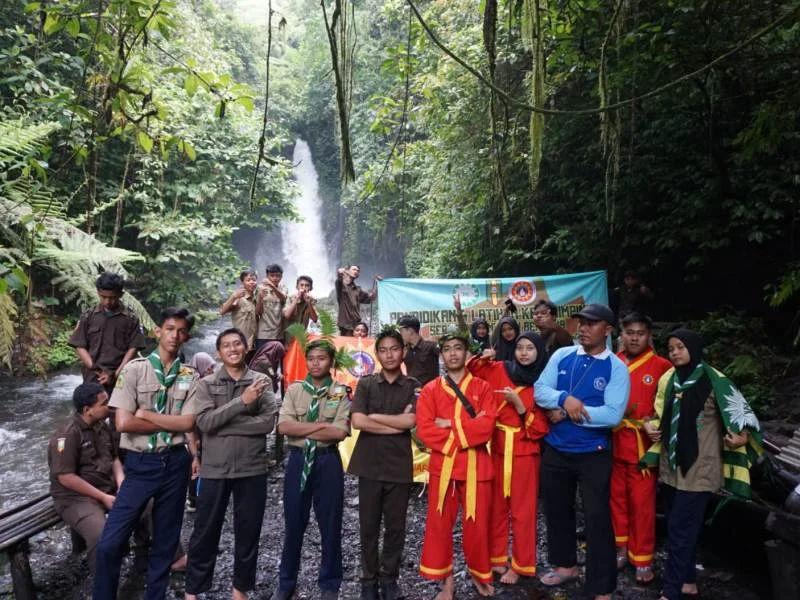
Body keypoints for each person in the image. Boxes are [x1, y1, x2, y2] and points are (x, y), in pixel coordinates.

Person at [641, 330, 762, 600]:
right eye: (671, 348)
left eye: (680, 347)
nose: (675, 353)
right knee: (679, 524)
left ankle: (671, 592)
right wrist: (648, 424)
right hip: (672, 467)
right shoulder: (669, 379)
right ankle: (688, 582)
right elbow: (656, 413)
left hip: (700, 467)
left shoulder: (715, 380)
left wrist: (741, 435)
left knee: (679, 530)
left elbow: (743, 415)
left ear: (694, 348)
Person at [93, 307, 200, 600]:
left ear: (187, 336)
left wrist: (146, 413)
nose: (174, 335)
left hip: (176, 462)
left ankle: (156, 595)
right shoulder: (133, 370)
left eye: (180, 331)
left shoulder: (190, 375)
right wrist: (169, 421)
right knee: (110, 541)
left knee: (166, 541)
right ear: (158, 331)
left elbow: (189, 423)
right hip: (140, 464)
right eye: (169, 328)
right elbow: (123, 422)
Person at [533, 303, 629, 600]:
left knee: (597, 515)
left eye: (592, 324)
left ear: (608, 330)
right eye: (582, 323)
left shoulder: (616, 367)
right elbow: (540, 390)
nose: (584, 329)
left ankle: (602, 585)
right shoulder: (562, 355)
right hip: (556, 449)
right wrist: (564, 398)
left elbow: (612, 415)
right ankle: (566, 565)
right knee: (557, 509)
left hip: (593, 452)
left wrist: (571, 410)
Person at [184, 328, 279, 600]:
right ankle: (193, 589)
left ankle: (240, 589)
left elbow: (267, 424)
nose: (233, 349)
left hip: (252, 468)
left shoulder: (261, 381)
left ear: (247, 347)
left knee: (248, 531)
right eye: (226, 345)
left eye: (237, 343)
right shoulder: (206, 384)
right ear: (219, 352)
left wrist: (223, 423)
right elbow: (204, 423)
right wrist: (242, 402)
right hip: (215, 469)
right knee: (204, 531)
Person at [416, 328, 497, 599]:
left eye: (458, 348)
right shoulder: (430, 390)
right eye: (447, 348)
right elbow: (425, 430)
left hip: (477, 467)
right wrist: (464, 434)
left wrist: (450, 424)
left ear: (467, 353)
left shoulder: (483, 387)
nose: (452, 353)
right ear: (441, 354)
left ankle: (479, 575)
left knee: (478, 525)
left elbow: (487, 426)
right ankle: (446, 584)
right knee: (439, 526)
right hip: (445, 467)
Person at [466, 332, 549, 584]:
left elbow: (541, 428)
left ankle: (522, 564)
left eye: (530, 349)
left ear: (539, 353)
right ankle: (497, 557)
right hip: (497, 447)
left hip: (525, 451)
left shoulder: (544, 381)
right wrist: (483, 357)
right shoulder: (501, 368)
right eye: (520, 348)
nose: (524, 353)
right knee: (497, 506)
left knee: (523, 511)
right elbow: (473, 372)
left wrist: (519, 405)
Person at [273, 340, 351, 600]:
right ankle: (286, 583)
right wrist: (319, 427)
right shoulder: (295, 390)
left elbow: (339, 432)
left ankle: (330, 584)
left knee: (330, 524)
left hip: (327, 462)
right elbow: (284, 427)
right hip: (298, 461)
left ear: (331, 362)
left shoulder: (339, 392)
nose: (316, 363)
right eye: (312, 358)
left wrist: (303, 427)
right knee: (294, 523)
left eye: (322, 358)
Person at [348, 328, 418, 600]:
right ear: (376, 354)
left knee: (396, 527)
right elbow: (358, 422)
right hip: (369, 465)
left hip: (399, 466)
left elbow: (411, 422)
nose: (389, 355)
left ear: (403, 352)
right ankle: (369, 580)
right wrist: (395, 424)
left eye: (394, 349)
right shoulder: (365, 384)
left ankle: (389, 578)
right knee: (368, 527)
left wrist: (375, 417)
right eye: (383, 350)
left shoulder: (412, 385)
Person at [610, 313, 672, 583]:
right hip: (612, 441)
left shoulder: (662, 366)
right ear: (621, 334)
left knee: (642, 504)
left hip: (643, 447)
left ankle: (643, 557)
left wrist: (655, 423)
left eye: (640, 333)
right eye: (630, 332)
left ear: (649, 336)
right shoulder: (612, 362)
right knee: (616, 500)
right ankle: (620, 549)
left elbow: (672, 407)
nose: (634, 337)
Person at [48, 383, 124, 575]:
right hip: (75, 498)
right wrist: (102, 497)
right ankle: (103, 587)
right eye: (104, 403)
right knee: (100, 533)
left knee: (146, 505)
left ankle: (171, 558)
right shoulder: (67, 435)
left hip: (107, 487)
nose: (110, 405)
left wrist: (121, 481)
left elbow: (113, 457)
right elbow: (66, 478)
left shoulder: (101, 426)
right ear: (87, 410)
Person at [69, 272, 146, 393]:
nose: (107, 301)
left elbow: (133, 348)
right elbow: (80, 345)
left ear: (121, 294)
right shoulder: (88, 316)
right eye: (103, 297)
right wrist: (97, 370)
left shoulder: (130, 318)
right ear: (98, 293)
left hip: (121, 376)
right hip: (93, 377)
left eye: (112, 297)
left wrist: (116, 374)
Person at [219, 269, 259, 352]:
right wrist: (234, 296)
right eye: (248, 280)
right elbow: (222, 311)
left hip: (254, 342)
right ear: (242, 282)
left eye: (254, 280)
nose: (252, 282)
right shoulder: (239, 297)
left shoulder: (256, 297)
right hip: (241, 341)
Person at [397, 314, 440, 386]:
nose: (400, 335)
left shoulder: (431, 347)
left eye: (401, 331)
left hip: (430, 392)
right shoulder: (405, 350)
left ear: (410, 331)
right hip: (412, 392)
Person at [335, 265, 377, 336]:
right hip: (346, 324)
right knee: (347, 345)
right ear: (348, 271)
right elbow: (339, 278)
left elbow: (371, 298)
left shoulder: (357, 290)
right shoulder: (341, 286)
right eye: (354, 269)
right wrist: (339, 272)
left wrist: (377, 283)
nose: (356, 271)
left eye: (358, 271)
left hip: (356, 325)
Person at [256, 264, 289, 349]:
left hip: (279, 333)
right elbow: (258, 312)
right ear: (267, 276)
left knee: (278, 360)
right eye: (272, 275)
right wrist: (260, 297)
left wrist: (271, 285)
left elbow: (283, 298)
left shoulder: (284, 288)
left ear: (281, 276)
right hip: (264, 333)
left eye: (278, 276)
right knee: (263, 360)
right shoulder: (260, 288)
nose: (275, 278)